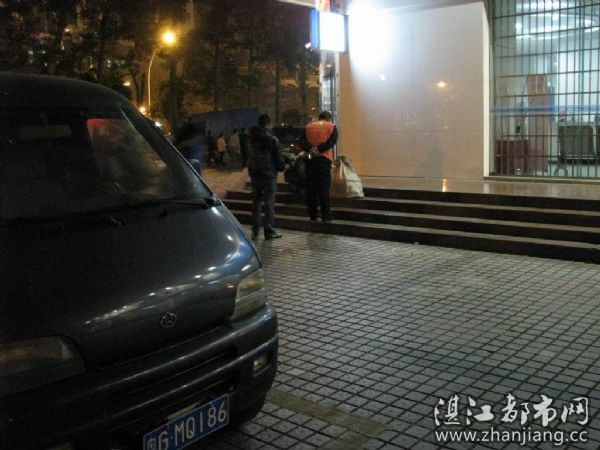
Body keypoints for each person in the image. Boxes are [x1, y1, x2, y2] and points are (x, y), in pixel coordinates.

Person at [247, 114, 285, 240]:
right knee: (269, 203)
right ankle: (269, 230)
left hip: (255, 172)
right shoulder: (272, 139)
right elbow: (277, 158)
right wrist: (282, 166)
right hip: (268, 174)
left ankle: (255, 230)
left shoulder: (251, 137)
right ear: (268, 123)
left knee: (256, 202)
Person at [299, 110, 338, 222]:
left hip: (310, 160)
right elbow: (332, 142)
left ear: (319, 118)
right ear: (328, 118)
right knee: (323, 189)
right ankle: (326, 216)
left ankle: (312, 216)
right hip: (324, 160)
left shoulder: (308, 127)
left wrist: (310, 149)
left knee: (310, 189)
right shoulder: (331, 127)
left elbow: (301, 142)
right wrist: (319, 149)